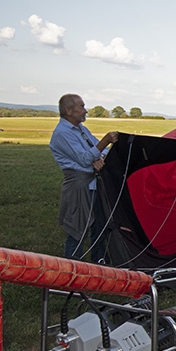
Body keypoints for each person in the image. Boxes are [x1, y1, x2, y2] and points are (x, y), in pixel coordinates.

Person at [49, 94, 119, 263]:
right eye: (81, 107)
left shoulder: (81, 129)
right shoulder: (62, 134)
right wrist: (106, 140)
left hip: (94, 184)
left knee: (99, 226)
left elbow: (95, 150)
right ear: (69, 111)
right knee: (77, 229)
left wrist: (100, 156)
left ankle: (99, 264)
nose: (85, 111)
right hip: (79, 186)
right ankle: (72, 270)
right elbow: (85, 159)